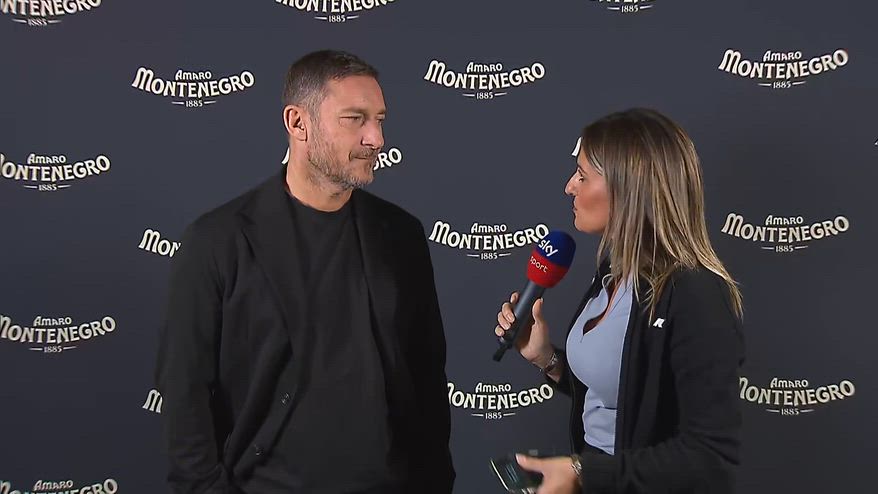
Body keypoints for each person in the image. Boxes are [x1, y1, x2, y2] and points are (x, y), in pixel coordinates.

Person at [155, 50, 454, 494]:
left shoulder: (401, 235)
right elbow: (185, 395)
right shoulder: (215, 242)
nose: (376, 138)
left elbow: (427, 377)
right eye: (355, 119)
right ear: (298, 123)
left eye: (380, 120)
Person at [494, 108, 744, 493]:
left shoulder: (696, 295)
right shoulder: (613, 271)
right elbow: (626, 395)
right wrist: (547, 359)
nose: (569, 187)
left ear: (630, 190)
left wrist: (583, 472)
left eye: (582, 176)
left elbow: (709, 458)